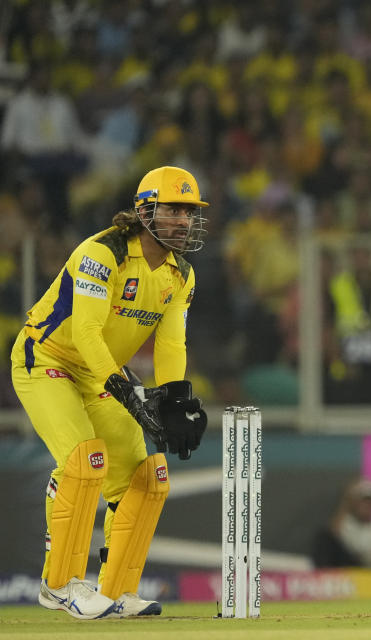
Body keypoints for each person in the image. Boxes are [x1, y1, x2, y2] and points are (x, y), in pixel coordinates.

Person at [10, 166, 210, 619]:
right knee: (84, 460)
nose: (183, 220)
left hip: (99, 373)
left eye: (190, 211)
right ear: (145, 210)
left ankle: (116, 591)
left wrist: (174, 396)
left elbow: (171, 343)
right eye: (174, 209)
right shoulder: (104, 252)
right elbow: (84, 330)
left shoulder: (181, 274)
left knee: (149, 477)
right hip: (47, 361)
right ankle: (58, 584)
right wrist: (124, 389)